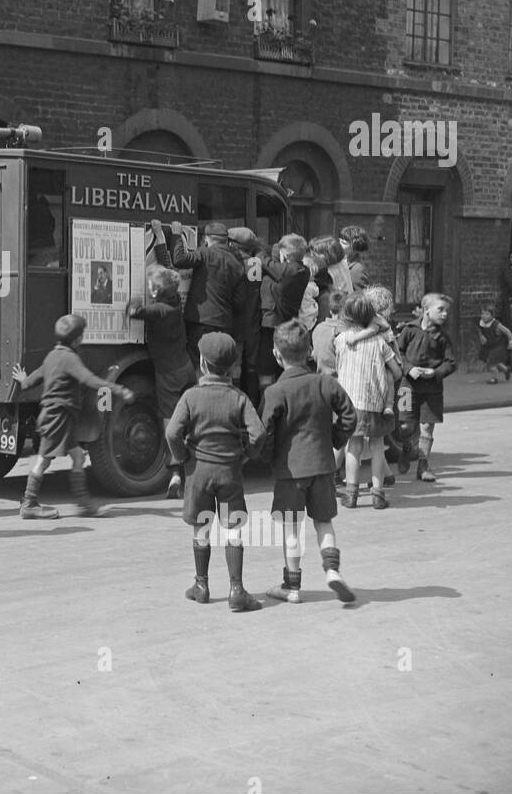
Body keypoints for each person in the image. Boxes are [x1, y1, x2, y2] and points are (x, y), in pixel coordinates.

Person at [257, 320, 359, 604]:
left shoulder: (274, 393)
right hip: (324, 466)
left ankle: (291, 587)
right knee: (324, 523)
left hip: (290, 472)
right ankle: (332, 570)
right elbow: (350, 416)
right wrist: (334, 439)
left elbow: (263, 432)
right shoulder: (326, 383)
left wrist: (268, 457)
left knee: (291, 528)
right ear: (310, 351)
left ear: (277, 355)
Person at [164, 331, 266, 612]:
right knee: (233, 529)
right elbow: (258, 434)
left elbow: (172, 432)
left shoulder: (190, 396)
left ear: (202, 362)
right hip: (229, 473)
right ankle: (236, 590)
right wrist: (245, 456)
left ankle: (201, 585)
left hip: (198, 473)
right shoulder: (239, 398)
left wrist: (183, 456)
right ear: (232, 366)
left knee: (201, 526)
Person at [11, 314, 135, 520]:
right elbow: (90, 380)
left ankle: (83, 505)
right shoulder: (70, 359)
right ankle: (29, 503)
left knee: (78, 456)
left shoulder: (52, 356)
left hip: (61, 417)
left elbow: (28, 383)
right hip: (57, 417)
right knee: (43, 461)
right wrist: (119, 389)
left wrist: (23, 378)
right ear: (77, 340)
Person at [126, 262, 197, 499]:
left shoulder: (159, 310)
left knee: (171, 423)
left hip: (168, 373)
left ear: (156, 290)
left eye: (150, 286)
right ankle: (192, 469)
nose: (149, 289)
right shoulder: (175, 302)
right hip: (185, 366)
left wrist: (134, 299)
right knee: (189, 419)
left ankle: (175, 472)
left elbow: (133, 312)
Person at [334, 293, 404, 511]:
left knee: (352, 448)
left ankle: (352, 495)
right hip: (375, 402)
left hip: (349, 402)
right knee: (376, 448)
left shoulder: (340, 340)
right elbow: (397, 370)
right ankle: (377, 495)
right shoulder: (380, 343)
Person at [396, 293, 456, 483]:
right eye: (441, 309)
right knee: (405, 425)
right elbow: (398, 354)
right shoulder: (409, 330)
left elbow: (451, 362)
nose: (445, 314)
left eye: (447, 310)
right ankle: (407, 448)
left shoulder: (443, 336)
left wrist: (435, 373)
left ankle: (423, 465)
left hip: (432, 389)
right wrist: (409, 368)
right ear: (426, 310)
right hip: (408, 386)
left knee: (427, 426)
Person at [168, 219, 246, 364]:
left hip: (200, 322)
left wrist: (176, 235)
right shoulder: (237, 265)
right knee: (219, 364)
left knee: (199, 363)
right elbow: (240, 303)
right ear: (226, 240)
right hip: (224, 324)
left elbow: (179, 259)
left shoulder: (206, 253)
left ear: (206, 239)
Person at [256, 233, 310, 397]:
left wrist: (259, 251)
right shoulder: (303, 270)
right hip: (288, 323)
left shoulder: (290, 270)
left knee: (266, 366)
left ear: (285, 255)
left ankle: (267, 399)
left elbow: (266, 262)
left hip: (273, 324)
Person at [227, 226, 263, 407]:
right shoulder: (255, 263)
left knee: (234, 369)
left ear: (233, 244)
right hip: (253, 323)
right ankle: (252, 406)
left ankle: (235, 407)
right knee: (250, 367)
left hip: (235, 324)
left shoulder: (231, 261)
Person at [476, 303, 512, 384]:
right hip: (488, 346)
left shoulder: (496, 324)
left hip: (498, 347)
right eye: (482, 313)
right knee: (494, 362)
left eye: (487, 314)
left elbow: (508, 332)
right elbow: (479, 329)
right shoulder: (481, 322)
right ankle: (506, 370)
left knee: (490, 364)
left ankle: (494, 379)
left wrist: (511, 342)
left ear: (492, 315)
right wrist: (481, 336)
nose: (484, 316)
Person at [340, 226, 371, 292]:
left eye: (344, 243)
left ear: (355, 248)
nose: (339, 245)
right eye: (339, 241)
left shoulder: (357, 269)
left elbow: (358, 297)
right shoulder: (341, 263)